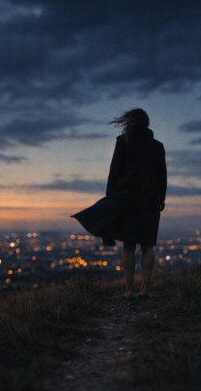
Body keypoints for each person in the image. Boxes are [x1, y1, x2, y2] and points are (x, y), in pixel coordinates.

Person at [71, 108, 167, 300]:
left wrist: (110, 199)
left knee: (129, 246)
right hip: (150, 200)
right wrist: (161, 199)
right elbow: (161, 176)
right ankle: (144, 290)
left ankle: (129, 291)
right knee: (147, 245)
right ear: (146, 123)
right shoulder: (157, 146)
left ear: (129, 123)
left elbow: (114, 173)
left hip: (127, 199)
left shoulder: (123, 142)